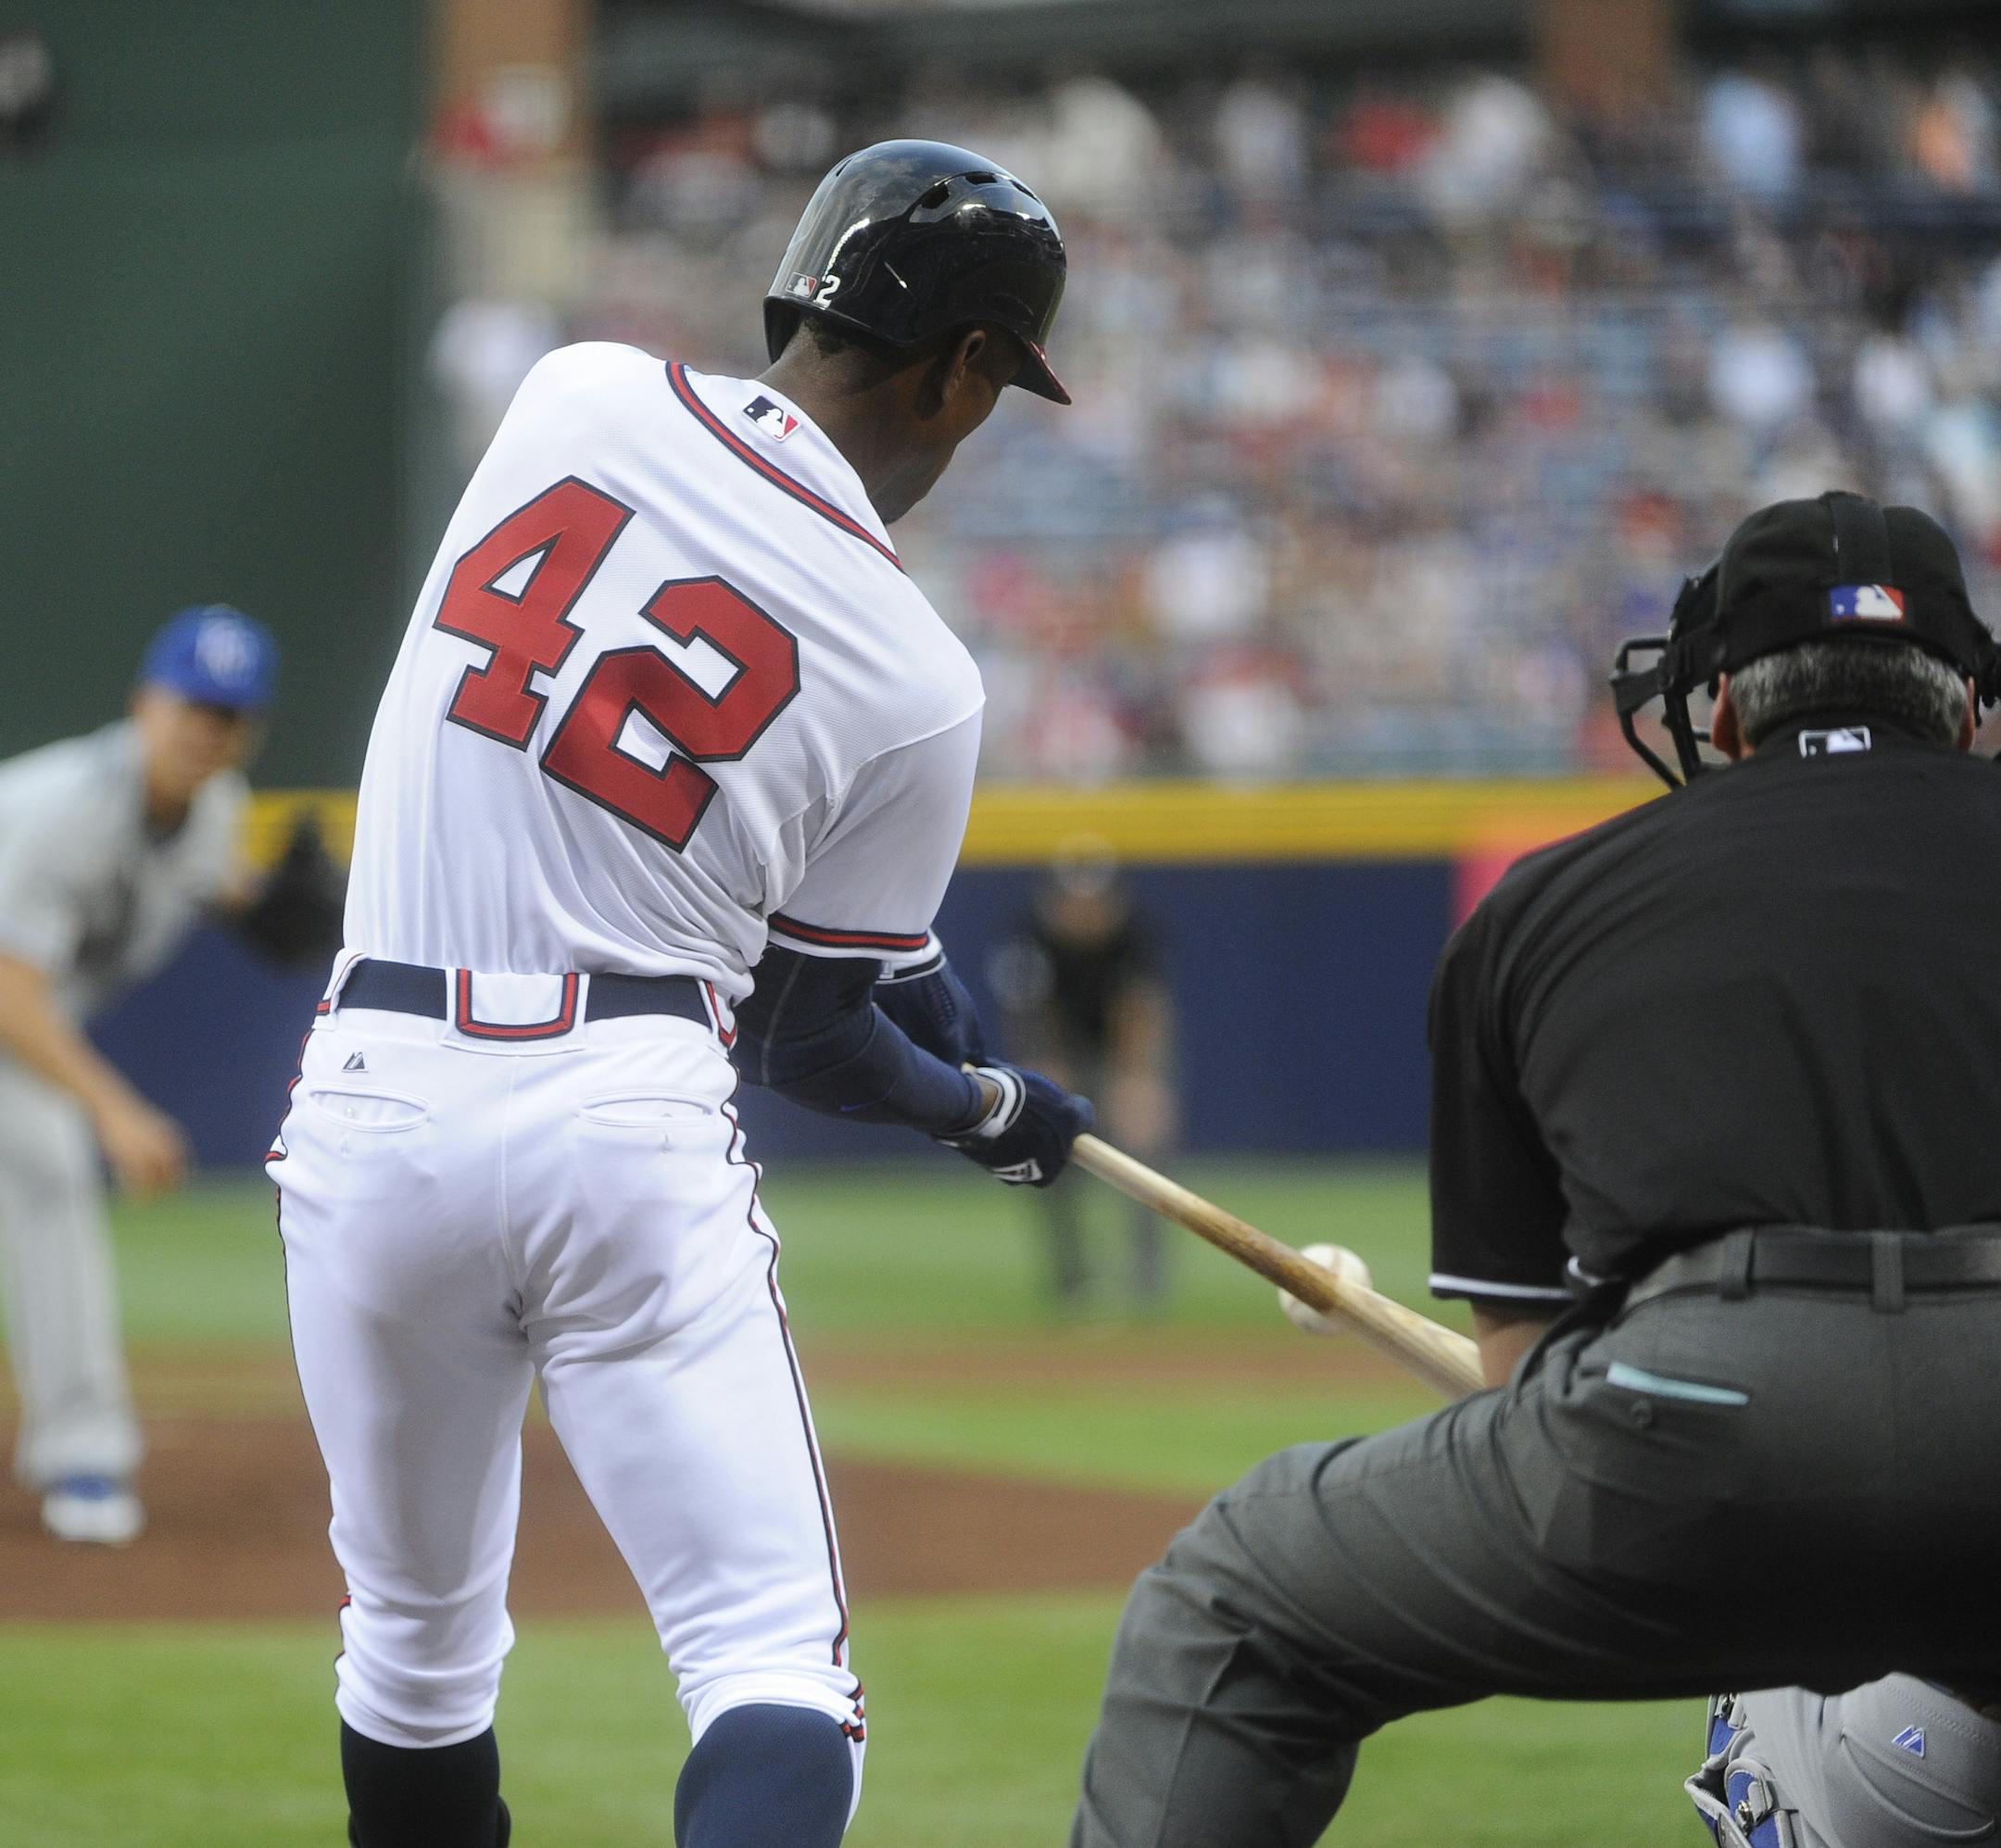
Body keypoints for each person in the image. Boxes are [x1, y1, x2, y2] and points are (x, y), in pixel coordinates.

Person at [272, 141, 1092, 1848]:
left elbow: (628, 704)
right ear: (961, 370)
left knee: (415, 1661)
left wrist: (911, 976)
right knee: (767, 1662)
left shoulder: (572, 398)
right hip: (620, 1114)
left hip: (372, 1097)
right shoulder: (922, 675)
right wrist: (988, 1108)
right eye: (994, 377)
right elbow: (809, 1034)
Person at [1067, 491, 2001, 1846]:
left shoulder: (1548, 904)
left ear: (1722, 707)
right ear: (1969, 704)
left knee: (1236, 1603)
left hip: (1697, 1417)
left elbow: (1517, 1367)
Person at [0, 604, 279, 1545]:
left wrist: (257, 901)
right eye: (192, 705)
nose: (207, 729)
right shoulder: (60, 808)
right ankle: (83, 1451)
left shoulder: (218, 812)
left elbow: (199, 879)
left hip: (27, 1005)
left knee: (40, 1161)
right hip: (10, 999)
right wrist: (118, 1114)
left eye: (229, 715)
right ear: (144, 705)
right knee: (52, 1161)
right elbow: (11, 995)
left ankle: (80, 1448)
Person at [988, 840, 1176, 1313]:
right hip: (1061, 1053)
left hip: (1118, 1053)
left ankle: (1147, 1286)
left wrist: (1139, 1081)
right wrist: (1044, 1080)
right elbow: (1030, 1016)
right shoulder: (1032, 935)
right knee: (1047, 1159)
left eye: (1095, 901)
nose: (1084, 911)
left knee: (1145, 1159)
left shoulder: (1134, 933)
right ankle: (1072, 1284)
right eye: (1074, 901)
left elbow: (1141, 1011)